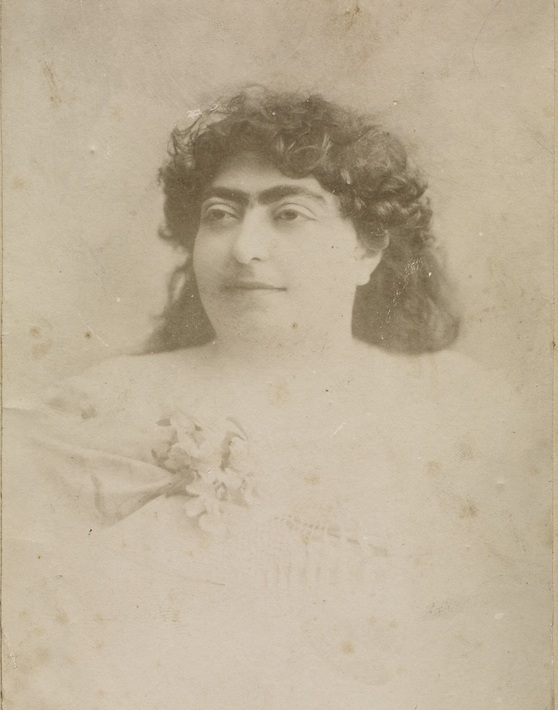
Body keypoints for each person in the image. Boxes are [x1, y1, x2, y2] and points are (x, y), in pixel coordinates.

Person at [4, 87, 550, 709]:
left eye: (289, 214)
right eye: (220, 214)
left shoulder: (457, 406)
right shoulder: (102, 408)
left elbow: (508, 648)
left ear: (367, 249)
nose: (244, 249)